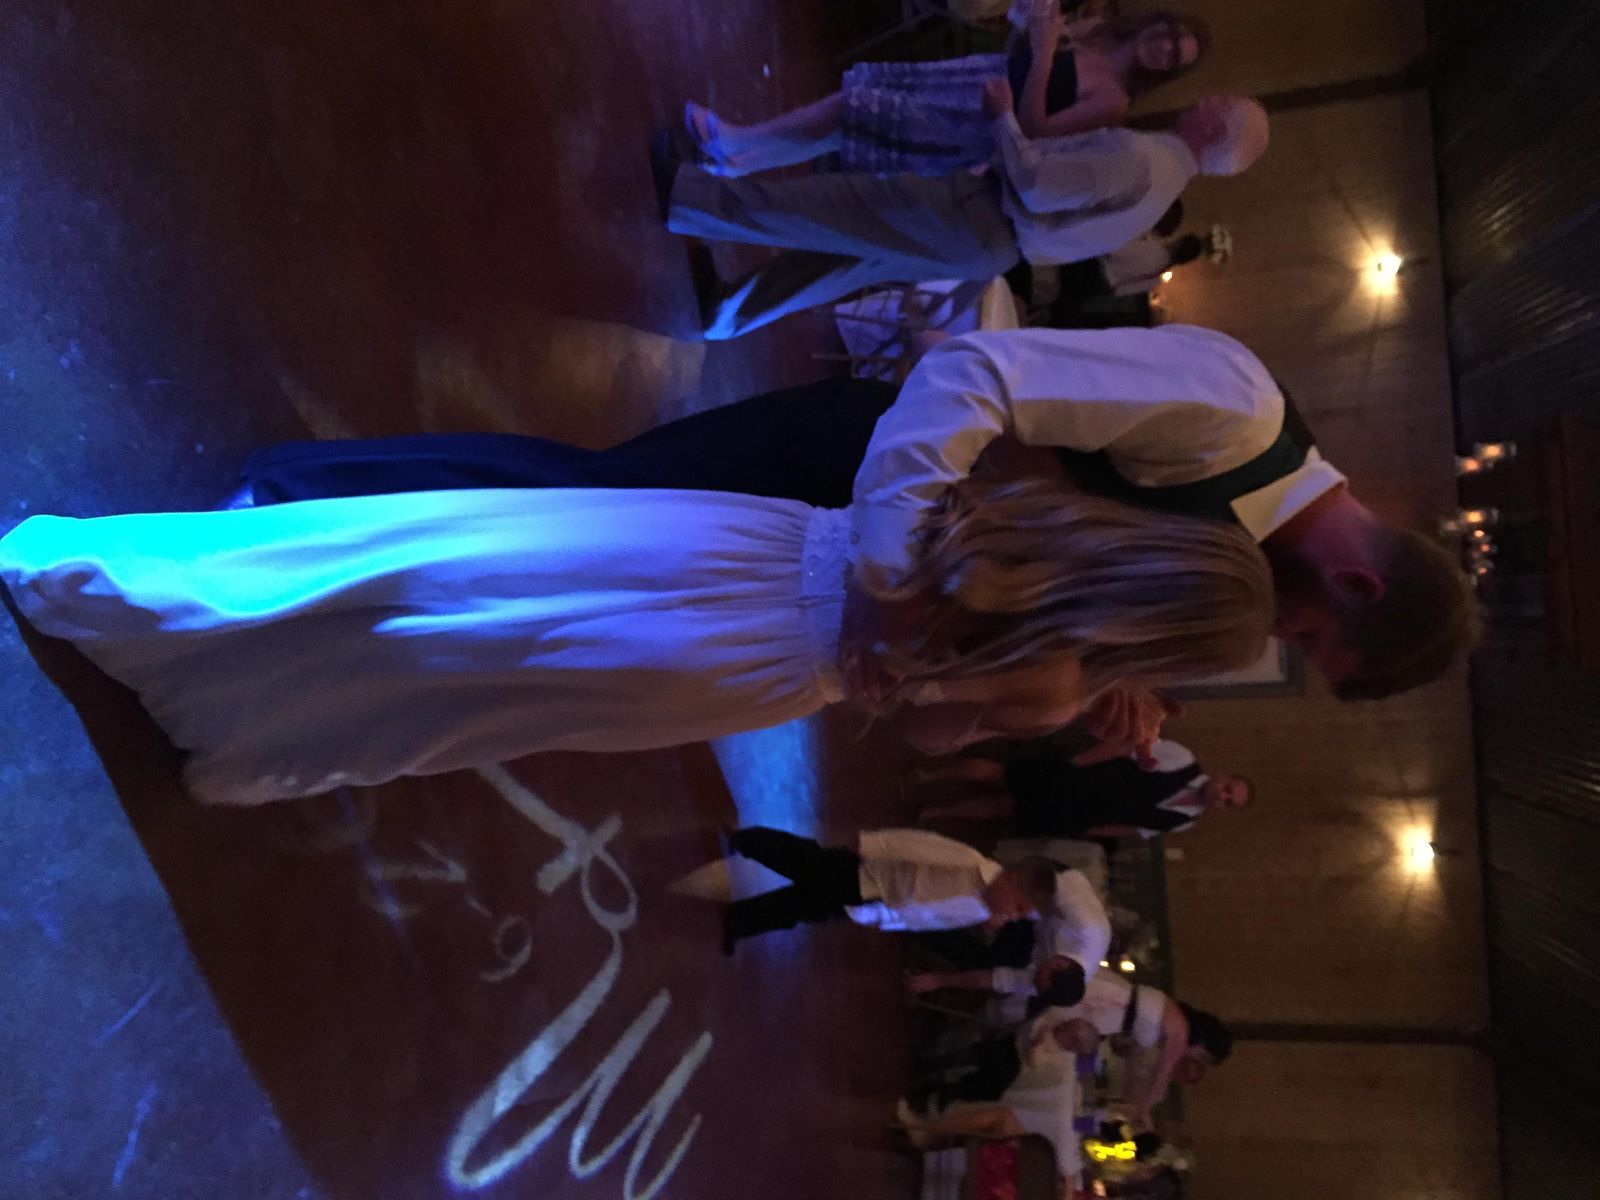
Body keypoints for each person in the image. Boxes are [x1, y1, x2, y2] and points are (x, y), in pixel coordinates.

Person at [226, 324, 1481, 705]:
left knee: (557, 566)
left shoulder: (1242, 541)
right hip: (848, 471)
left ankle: (315, 590)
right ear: (1357, 585)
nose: (1282, 635)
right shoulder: (1232, 408)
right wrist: (886, 572)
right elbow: (972, 376)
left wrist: (1104, 666)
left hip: (865, 553)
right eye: (1311, 639)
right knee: (573, 501)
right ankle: (293, 499)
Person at [0, 477, 1274, 805]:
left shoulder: (1035, 515)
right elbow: (930, 733)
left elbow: (900, 487)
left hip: (740, 547)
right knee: (484, 685)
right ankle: (241, 724)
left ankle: (172, 597)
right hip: (748, 671)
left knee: (464, 555)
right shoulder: (1058, 688)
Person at [656, 90, 1269, 338]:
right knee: (845, 262)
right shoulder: (1161, 192)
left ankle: (692, 199)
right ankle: (729, 312)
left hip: (982, 215)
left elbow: (1036, 186)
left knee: (832, 211)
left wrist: (1003, 117)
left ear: (1214, 127)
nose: (1205, 99)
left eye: (1217, 103)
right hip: (991, 247)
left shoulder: (1144, 159)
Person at [681, 7, 1208, 178]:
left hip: (977, 119)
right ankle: (742, 162)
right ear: (1159, 24)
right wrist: (1028, 24)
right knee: (848, 125)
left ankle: (736, 139)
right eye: (1169, 37)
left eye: (1172, 57)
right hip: (977, 75)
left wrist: (1046, 52)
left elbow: (1037, 130)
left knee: (851, 111)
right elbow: (1023, 44)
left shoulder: (1116, 102)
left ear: (1167, 72)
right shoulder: (1099, 30)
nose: (1162, 48)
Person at [911, 967, 1233, 1127]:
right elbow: (1161, 1077)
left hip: (1108, 1014)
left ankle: (944, 1067)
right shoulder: (1179, 1030)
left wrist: (1133, 1100)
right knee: (1028, 1023)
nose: (1195, 1058)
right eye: (1203, 1056)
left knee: (1028, 1040)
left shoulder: (1169, 1025)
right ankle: (944, 1060)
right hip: (1105, 1002)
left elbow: (1137, 1062)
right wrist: (1146, 1107)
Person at [717, 825, 1059, 954]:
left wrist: (888, 921)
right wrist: (873, 845)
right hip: (866, 873)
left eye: (1019, 915)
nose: (1012, 916)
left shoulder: (980, 909)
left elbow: (929, 920)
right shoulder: (969, 862)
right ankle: (748, 840)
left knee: (802, 908)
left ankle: (741, 919)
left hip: (873, 903)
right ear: (1010, 879)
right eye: (1017, 907)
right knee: (802, 860)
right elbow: (919, 845)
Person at [915, 737, 1253, 838]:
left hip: (1082, 813)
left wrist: (1087, 829)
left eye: (1228, 801)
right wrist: (1080, 762)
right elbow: (1128, 747)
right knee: (1001, 775)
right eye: (1228, 788)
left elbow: (1131, 829)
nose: (1222, 795)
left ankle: (938, 811)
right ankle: (931, 776)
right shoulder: (1183, 760)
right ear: (1222, 776)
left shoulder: (1184, 822)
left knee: (1005, 809)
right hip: (1082, 778)